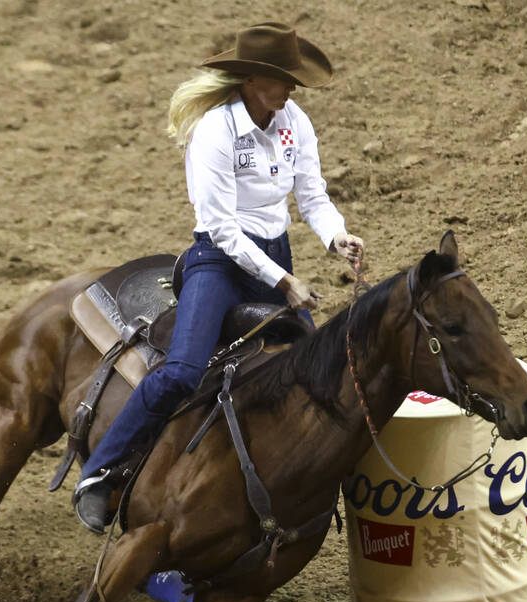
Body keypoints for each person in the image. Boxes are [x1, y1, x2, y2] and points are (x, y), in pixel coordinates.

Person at [74, 21, 364, 536]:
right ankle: (98, 474)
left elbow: (312, 194)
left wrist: (335, 236)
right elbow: (224, 230)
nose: (292, 89)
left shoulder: (294, 121)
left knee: (314, 371)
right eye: (283, 79)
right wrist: (283, 283)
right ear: (254, 80)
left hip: (274, 255)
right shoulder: (215, 131)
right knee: (183, 371)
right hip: (219, 262)